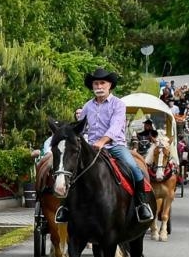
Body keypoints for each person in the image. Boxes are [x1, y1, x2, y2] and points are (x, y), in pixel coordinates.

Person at [54, 67, 154, 225]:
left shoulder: (118, 105)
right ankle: (65, 207)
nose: (99, 87)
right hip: (91, 147)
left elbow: (115, 127)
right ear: (92, 86)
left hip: (115, 146)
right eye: (96, 84)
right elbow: (80, 127)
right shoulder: (87, 106)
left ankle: (142, 204)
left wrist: (102, 141)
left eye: (102, 83)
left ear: (110, 85)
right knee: (71, 169)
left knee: (134, 168)